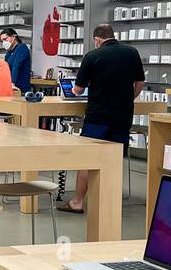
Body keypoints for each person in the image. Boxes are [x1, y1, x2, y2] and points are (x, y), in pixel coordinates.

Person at [59, 23, 144, 214]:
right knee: (114, 159)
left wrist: (73, 91)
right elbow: (140, 83)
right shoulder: (132, 52)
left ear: (97, 40)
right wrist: (128, 98)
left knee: (87, 159)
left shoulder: (92, 56)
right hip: (123, 116)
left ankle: (78, 201)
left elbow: (78, 89)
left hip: (98, 116)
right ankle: (109, 203)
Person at [0, 26, 32, 93]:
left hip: (21, 89)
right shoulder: (9, 52)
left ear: (14, 36)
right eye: (2, 41)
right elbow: (5, 68)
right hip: (10, 89)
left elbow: (16, 66)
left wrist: (12, 83)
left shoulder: (22, 48)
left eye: (5, 39)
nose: (4, 42)